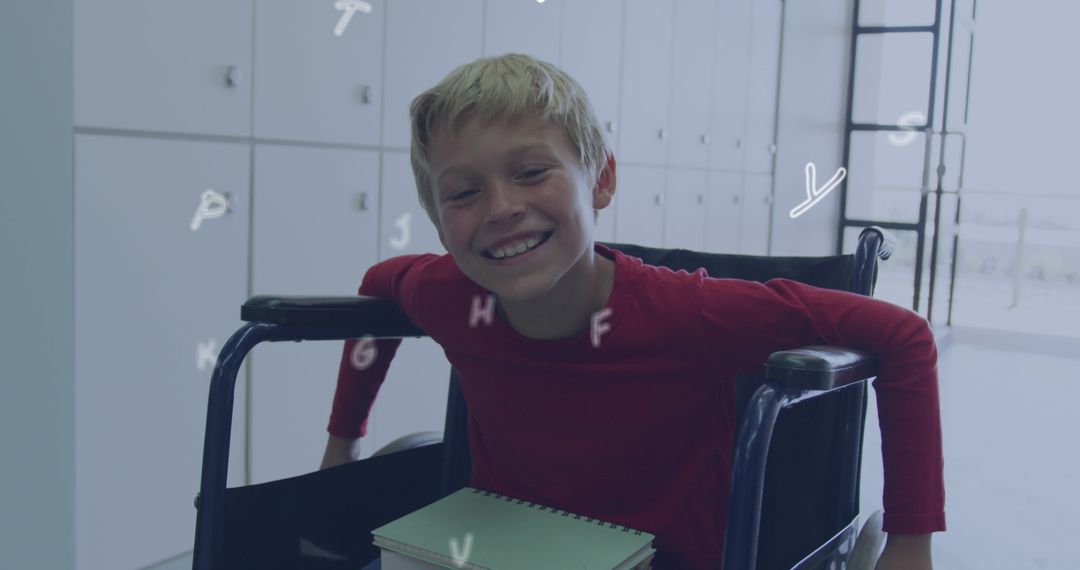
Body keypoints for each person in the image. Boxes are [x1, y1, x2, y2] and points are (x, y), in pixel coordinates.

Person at [320, 53, 945, 570]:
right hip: (496, 550)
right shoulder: (446, 293)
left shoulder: (687, 313)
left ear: (601, 181)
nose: (501, 207)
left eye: (531, 172)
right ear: (439, 223)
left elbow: (905, 335)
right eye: (464, 192)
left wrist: (910, 542)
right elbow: (379, 286)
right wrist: (343, 443)